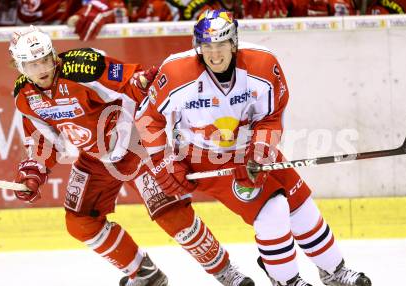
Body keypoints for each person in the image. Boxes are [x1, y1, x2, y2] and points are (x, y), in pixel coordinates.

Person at [136, 9, 372, 286]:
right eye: (207, 46)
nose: (214, 54)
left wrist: (260, 152)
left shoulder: (263, 65)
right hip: (200, 157)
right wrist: (165, 164)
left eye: (221, 44)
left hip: (249, 149)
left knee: (301, 206)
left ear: (233, 42)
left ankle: (334, 271)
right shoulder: (176, 73)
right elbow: (147, 118)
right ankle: (287, 280)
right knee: (272, 209)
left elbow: (271, 117)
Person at [9, 25, 254, 286]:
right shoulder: (23, 95)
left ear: (54, 56)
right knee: (79, 223)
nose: (43, 69)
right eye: (33, 64)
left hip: (137, 145)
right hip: (95, 159)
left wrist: (141, 83)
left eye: (46, 60)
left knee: (172, 214)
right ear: (19, 66)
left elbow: (131, 82)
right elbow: (43, 142)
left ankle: (226, 272)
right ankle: (145, 274)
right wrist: (32, 174)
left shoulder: (83, 67)